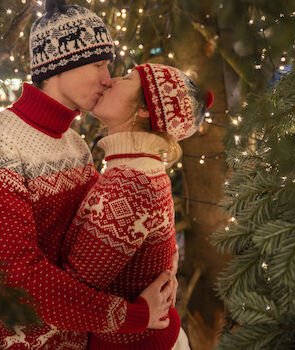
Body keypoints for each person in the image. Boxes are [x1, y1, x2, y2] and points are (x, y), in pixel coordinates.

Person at [0, 1, 178, 349]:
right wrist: (133, 315)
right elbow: (15, 276)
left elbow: (100, 242)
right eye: (98, 64)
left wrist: (161, 272)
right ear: (60, 64)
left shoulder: (75, 144)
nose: (107, 79)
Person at [62, 63, 213, 349]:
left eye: (127, 78)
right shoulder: (139, 170)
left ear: (145, 109)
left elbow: (75, 294)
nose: (110, 81)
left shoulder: (131, 183)